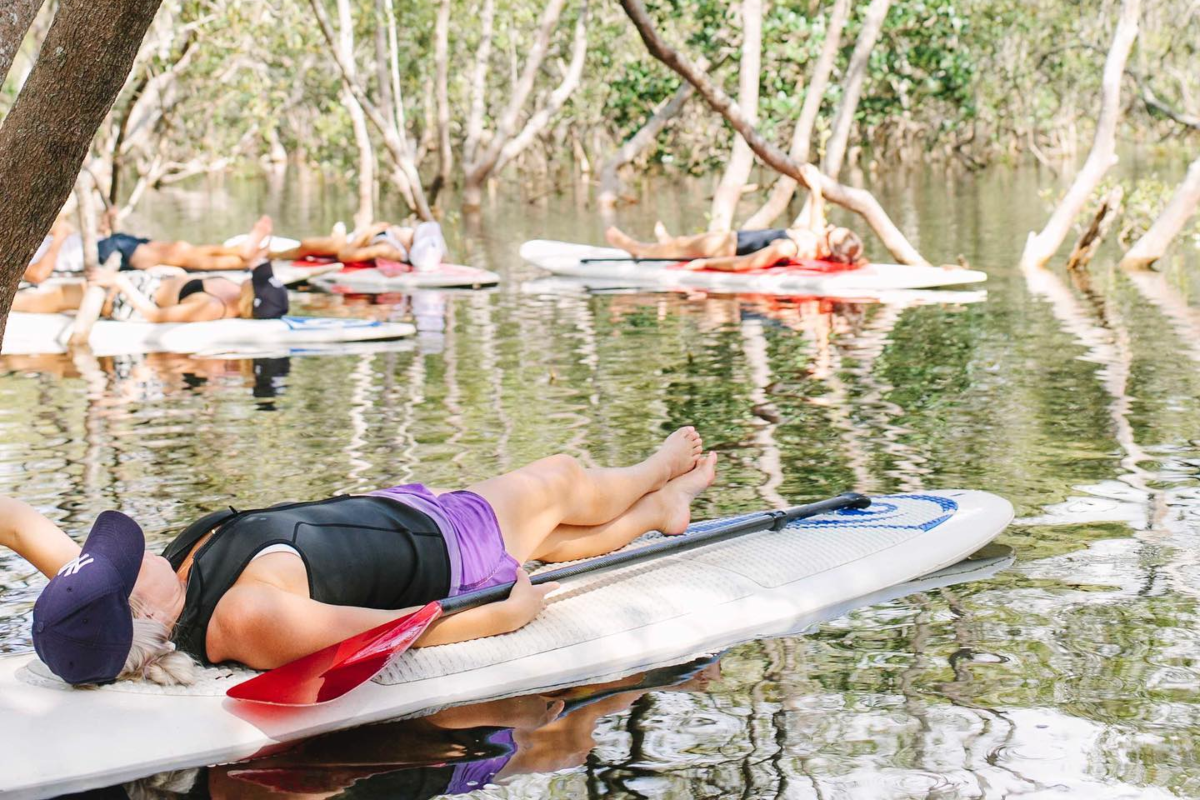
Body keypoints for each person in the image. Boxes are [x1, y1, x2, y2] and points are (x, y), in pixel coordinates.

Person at [1, 429, 716, 685]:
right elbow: (387, 635)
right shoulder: (243, 618)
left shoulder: (119, 606)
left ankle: (657, 511)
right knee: (559, 481)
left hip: (399, 518)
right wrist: (501, 614)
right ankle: (653, 474)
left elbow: (18, 524)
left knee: (553, 538)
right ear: (144, 611)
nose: (139, 550)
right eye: (129, 564)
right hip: (444, 551)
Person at [605, 164, 867, 272]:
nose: (828, 226)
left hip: (729, 246)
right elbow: (817, 220)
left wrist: (704, 265)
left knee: (683, 246)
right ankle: (667, 243)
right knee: (681, 242)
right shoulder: (814, 244)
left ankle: (636, 249)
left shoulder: (790, 247)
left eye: (831, 230)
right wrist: (815, 188)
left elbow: (747, 263)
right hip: (730, 240)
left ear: (828, 245)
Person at [12, 220, 287, 322]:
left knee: (54, 298)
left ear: (253, 301)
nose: (253, 279)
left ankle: (243, 252)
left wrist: (120, 282)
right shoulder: (233, 292)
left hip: (123, 294)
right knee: (180, 251)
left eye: (257, 281)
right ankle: (242, 253)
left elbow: (156, 316)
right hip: (140, 278)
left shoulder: (212, 308)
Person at [276, 220, 449, 273]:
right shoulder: (398, 242)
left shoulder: (388, 249)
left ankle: (271, 255)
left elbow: (345, 255)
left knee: (307, 244)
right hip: (354, 239)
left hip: (347, 245)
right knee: (328, 241)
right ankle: (337, 235)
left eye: (411, 233)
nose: (407, 230)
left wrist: (368, 232)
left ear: (411, 244)